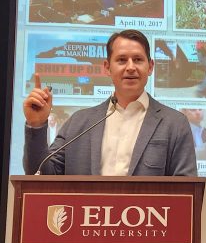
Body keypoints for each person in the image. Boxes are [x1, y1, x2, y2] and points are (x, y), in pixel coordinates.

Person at [23, 29, 197, 176]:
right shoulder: (79, 123)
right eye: (121, 60)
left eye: (138, 59)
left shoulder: (174, 123)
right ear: (107, 67)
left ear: (150, 67)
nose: (130, 67)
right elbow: (39, 174)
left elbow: (186, 193)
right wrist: (36, 125)